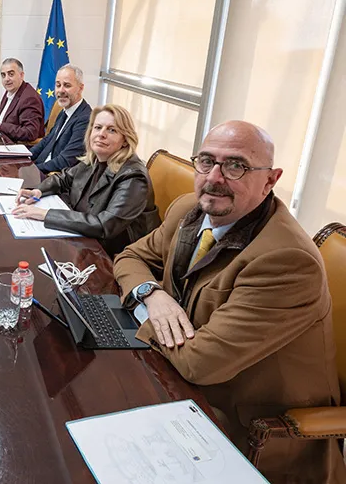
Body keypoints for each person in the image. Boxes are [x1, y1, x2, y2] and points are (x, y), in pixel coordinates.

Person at [114, 121, 345, 483]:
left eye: (235, 165)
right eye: (206, 161)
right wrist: (152, 294)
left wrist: (145, 312)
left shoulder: (286, 261)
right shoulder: (189, 210)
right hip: (177, 385)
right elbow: (129, 258)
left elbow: (199, 363)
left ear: (270, 180)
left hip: (250, 429)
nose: (215, 177)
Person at [13, 104, 159, 255]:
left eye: (112, 130)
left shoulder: (134, 176)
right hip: (83, 238)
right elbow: (63, 179)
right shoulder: (96, 158)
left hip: (114, 253)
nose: (101, 134)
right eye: (97, 127)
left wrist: (44, 214)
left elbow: (104, 225)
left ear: (125, 140)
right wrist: (38, 191)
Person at [29, 64, 91, 173]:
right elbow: (48, 139)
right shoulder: (65, 110)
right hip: (40, 166)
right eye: (58, 85)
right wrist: (26, 156)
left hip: (52, 177)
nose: (61, 90)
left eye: (67, 85)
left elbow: (66, 160)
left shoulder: (85, 119)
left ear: (80, 88)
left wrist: (33, 171)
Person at [0, 58, 45, 142]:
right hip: (5, 140)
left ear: (21, 75)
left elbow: (30, 133)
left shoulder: (29, 99)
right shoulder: (12, 91)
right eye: (3, 75)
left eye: (11, 74)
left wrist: (0, 126)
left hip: (18, 148)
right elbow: (8, 117)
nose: (6, 79)